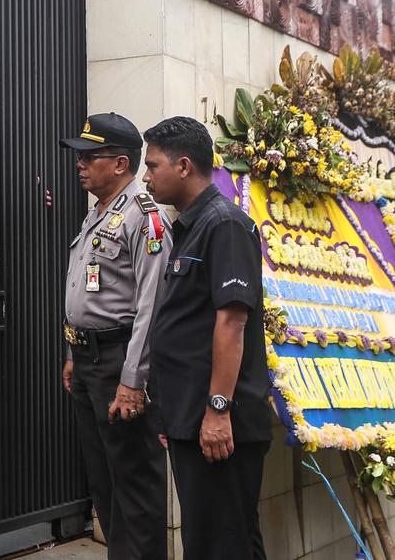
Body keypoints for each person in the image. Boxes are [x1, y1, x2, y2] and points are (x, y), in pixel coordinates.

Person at [143, 116, 269, 560]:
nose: (145, 177)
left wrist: (217, 411)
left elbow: (231, 323)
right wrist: (172, 415)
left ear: (183, 166)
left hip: (218, 423)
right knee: (220, 540)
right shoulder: (190, 225)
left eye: (152, 166)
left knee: (221, 545)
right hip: (192, 419)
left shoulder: (224, 225)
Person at [58, 113, 170, 560]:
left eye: (90, 156)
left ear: (121, 163)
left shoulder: (145, 217)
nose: (80, 164)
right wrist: (73, 351)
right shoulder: (100, 211)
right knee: (104, 481)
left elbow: (151, 307)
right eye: (80, 156)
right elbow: (88, 288)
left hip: (121, 362)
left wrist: (132, 381)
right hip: (89, 360)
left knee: (134, 484)